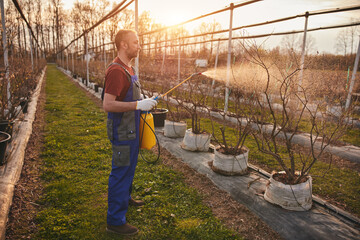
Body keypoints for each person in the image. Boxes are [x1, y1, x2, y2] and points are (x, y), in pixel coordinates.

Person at [102, 29, 158, 236]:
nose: (139, 46)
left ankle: (124, 198)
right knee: (120, 171)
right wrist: (137, 105)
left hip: (131, 128)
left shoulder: (128, 68)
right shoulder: (117, 70)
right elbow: (108, 105)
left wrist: (145, 103)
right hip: (123, 130)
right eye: (136, 42)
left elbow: (128, 96)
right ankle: (115, 221)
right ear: (123, 45)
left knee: (129, 167)